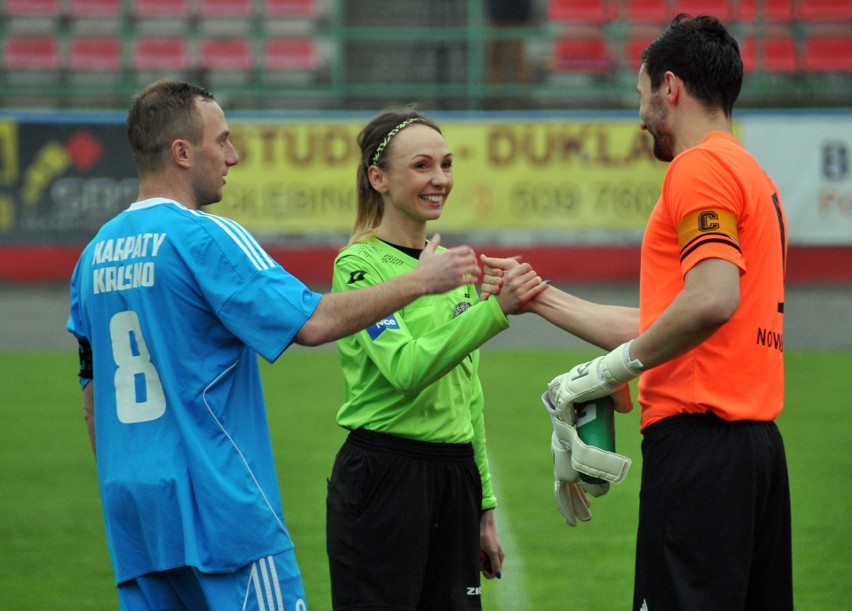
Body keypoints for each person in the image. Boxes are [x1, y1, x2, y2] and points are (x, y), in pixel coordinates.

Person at [66, 80, 483, 610]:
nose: (233, 157)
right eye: (223, 141)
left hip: (135, 513)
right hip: (220, 510)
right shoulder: (207, 236)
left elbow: (92, 399)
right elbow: (311, 322)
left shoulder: (93, 256)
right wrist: (421, 281)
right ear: (182, 152)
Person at [482, 15, 792, 610]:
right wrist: (540, 294)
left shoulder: (699, 168)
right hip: (755, 454)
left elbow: (710, 300)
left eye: (641, 95)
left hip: (701, 451)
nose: (640, 114)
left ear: (669, 87)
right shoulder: (754, 176)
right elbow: (674, 320)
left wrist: (610, 370)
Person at [325, 108, 546, 610]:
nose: (440, 179)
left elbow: (467, 396)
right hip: (384, 476)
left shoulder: (448, 268)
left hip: (455, 478)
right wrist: (494, 312)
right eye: (422, 166)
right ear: (377, 178)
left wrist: (484, 506)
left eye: (446, 165)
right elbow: (405, 369)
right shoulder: (358, 266)